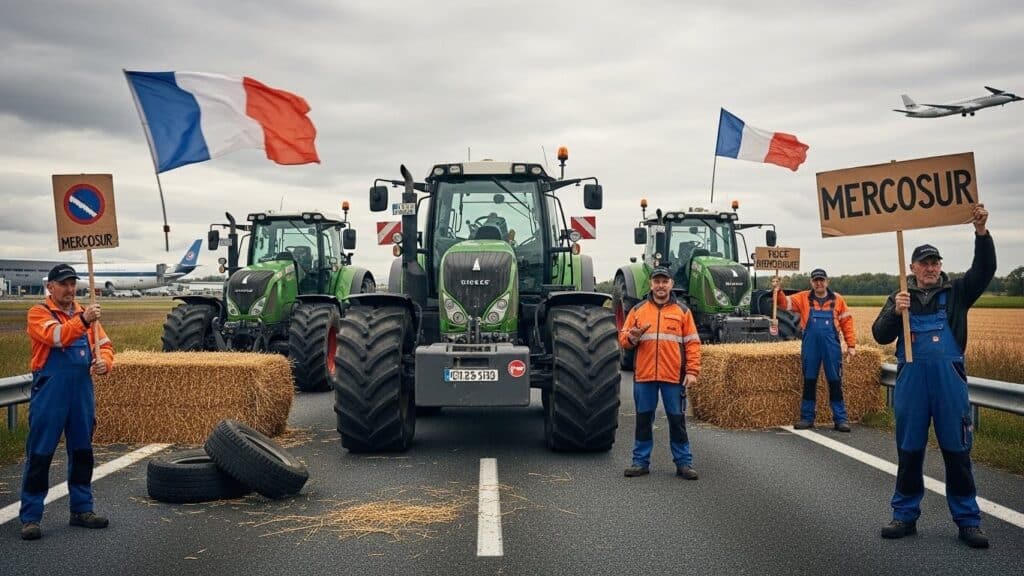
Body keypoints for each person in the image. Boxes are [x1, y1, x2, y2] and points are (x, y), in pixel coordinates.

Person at [872, 203, 995, 549]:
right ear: (911, 267)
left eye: (934, 262)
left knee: (957, 452)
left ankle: (968, 521)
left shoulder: (957, 293)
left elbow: (986, 269)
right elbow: (880, 335)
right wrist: (895, 312)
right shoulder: (899, 296)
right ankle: (905, 515)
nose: (929, 268)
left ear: (940, 266)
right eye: (923, 263)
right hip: (911, 384)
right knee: (909, 451)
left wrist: (981, 232)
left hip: (948, 384)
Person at [20, 264, 114, 541]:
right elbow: (56, 337)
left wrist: (104, 363)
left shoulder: (86, 313)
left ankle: (82, 510)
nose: (70, 289)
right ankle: (31, 517)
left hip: (81, 391)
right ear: (50, 287)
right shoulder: (39, 313)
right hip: (50, 390)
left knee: (83, 452)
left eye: (73, 283)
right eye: (63, 284)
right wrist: (84, 320)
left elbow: (105, 345)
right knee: (40, 455)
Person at [618, 266, 702, 480]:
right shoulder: (638, 310)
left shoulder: (682, 312)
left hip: (673, 376)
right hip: (644, 376)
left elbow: (693, 343)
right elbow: (623, 339)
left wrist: (692, 371)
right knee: (644, 420)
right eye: (657, 281)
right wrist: (632, 338)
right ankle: (640, 462)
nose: (661, 285)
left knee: (677, 420)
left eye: (665, 281)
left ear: (671, 284)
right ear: (651, 284)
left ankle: (684, 463)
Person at [772, 269, 857, 431]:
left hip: (831, 346)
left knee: (835, 382)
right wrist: (778, 290)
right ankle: (807, 418)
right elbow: (784, 303)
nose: (819, 283)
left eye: (821, 280)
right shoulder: (803, 297)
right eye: (816, 280)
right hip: (811, 346)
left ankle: (840, 419)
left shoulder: (838, 300)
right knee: (810, 381)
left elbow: (847, 322)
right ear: (811, 282)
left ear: (827, 281)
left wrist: (851, 345)